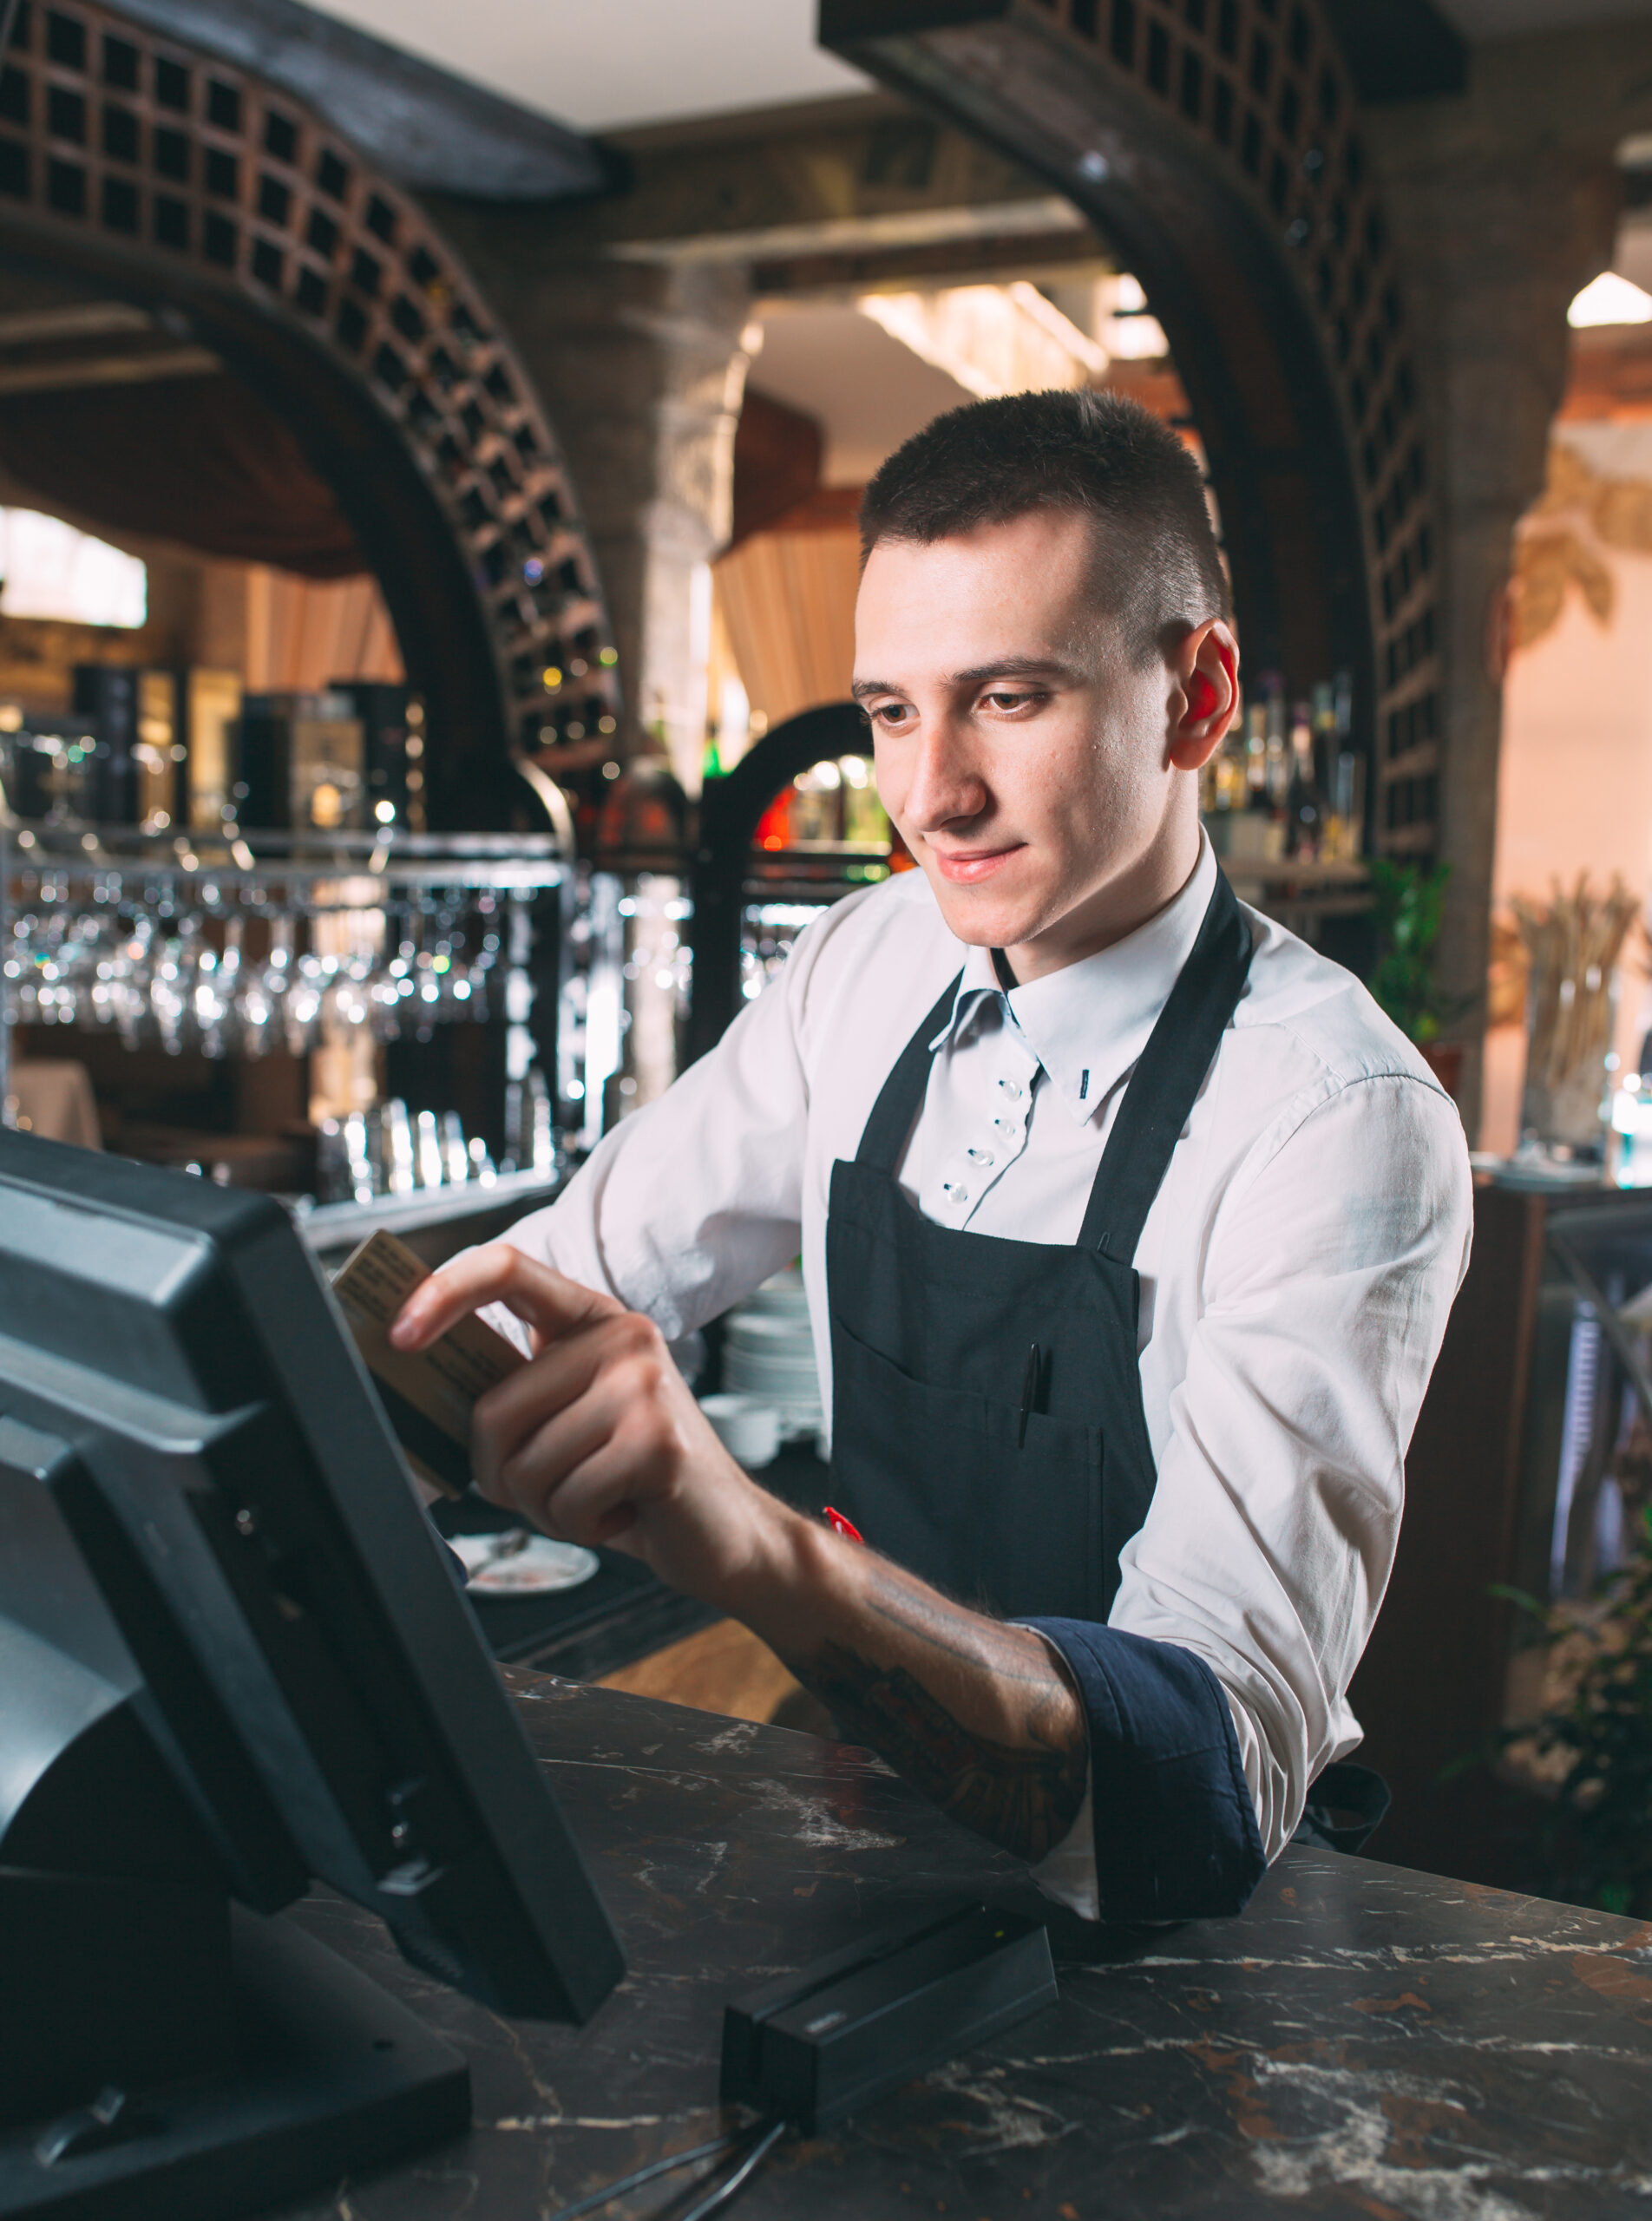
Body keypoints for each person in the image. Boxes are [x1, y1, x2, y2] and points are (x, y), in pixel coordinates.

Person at [391, 390, 1473, 1922]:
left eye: (1008, 699)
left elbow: (1206, 1772)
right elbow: (552, 1290)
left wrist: (765, 1553)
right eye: (892, 712)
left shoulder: (1335, 1116)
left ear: (1197, 698)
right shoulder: (868, 962)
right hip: (875, 1845)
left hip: (1166, 1942)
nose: (930, 797)